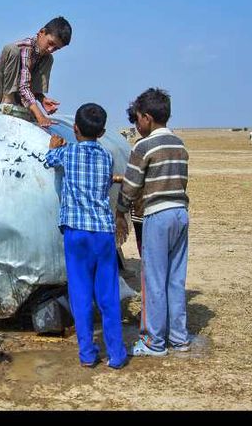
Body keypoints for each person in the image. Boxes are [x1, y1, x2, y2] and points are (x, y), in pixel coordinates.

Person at [45, 103, 128, 369]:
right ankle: (116, 354)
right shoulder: (106, 157)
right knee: (108, 294)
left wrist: (53, 146)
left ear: (75, 129)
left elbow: (48, 161)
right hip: (103, 233)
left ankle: (88, 354)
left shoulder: (67, 153)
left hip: (76, 232)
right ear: (102, 132)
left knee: (80, 294)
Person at [116, 88, 191, 356]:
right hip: (180, 213)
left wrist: (120, 211)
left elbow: (132, 185)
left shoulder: (144, 146)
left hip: (157, 215)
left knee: (154, 280)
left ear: (146, 118)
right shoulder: (179, 144)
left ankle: (153, 342)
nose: (136, 125)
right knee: (174, 278)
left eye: (137, 119)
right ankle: (179, 338)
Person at [0, 16, 72, 127]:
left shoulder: (45, 56)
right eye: (50, 43)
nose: (51, 49)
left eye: (56, 48)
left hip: (20, 95)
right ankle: (8, 100)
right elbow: (23, 86)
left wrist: (42, 99)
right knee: (12, 49)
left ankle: (27, 105)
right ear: (41, 32)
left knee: (48, 58)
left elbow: (26, 84)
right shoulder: (26, 47)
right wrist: (39, 116)